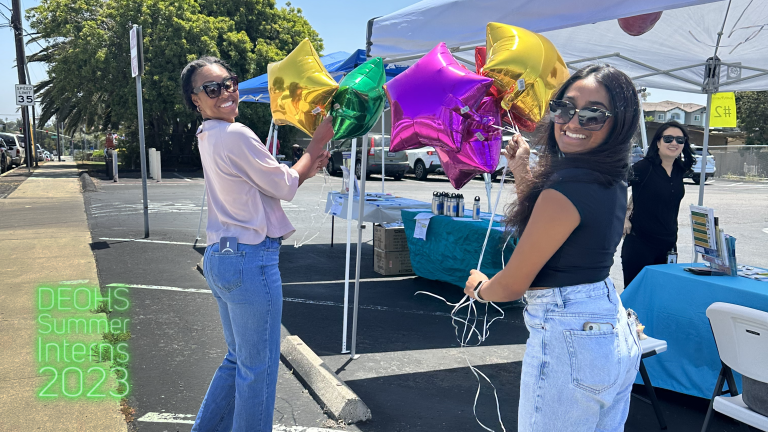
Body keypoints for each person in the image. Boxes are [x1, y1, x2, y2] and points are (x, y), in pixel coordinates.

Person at [463, 65, 642, 432]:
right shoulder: (610, 181)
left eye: (593, 114)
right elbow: (558, 227)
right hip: (606, 324)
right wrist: (521, 169)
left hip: (570, 333)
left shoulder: (566, 189)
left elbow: (513, 284)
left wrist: (481, 289)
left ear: (618, 123)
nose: (573, 121)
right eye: (564, 107)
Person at [180, 56, 331, 432]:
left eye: (229, 83)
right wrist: (318, 141)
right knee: (257, 369)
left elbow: (274, 184)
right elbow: (282, 186)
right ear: (196, 100)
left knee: (239, 361)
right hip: (249, 259)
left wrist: (303, 170)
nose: (227, 92)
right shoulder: (235, 134)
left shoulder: (209, 135)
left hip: (223, 256)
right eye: (212, 89)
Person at [621, 121, 694, 287]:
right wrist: (622, 216)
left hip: (668, 244)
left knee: (662, 294)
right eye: (668, 139)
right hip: (640, 244)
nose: (674, 143)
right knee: (637, 297)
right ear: (658, 142)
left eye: (679, 140)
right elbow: (614, 186)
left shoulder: (679, 170)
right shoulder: (644, 167)